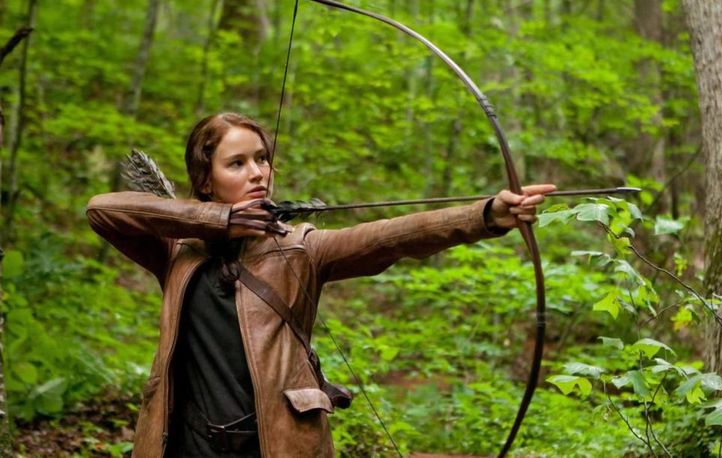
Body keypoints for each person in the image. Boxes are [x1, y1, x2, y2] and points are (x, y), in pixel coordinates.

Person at [86, 112, 555, 457]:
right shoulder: (177, 253)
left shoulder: (300, 247)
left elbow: (391, 236)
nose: (258, 172)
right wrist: (219, 221)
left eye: (262, 159)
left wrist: (485, 215)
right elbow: (102, 210)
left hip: (273, 444)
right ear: (205, 181)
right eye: (237, 163)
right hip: (186, 444)